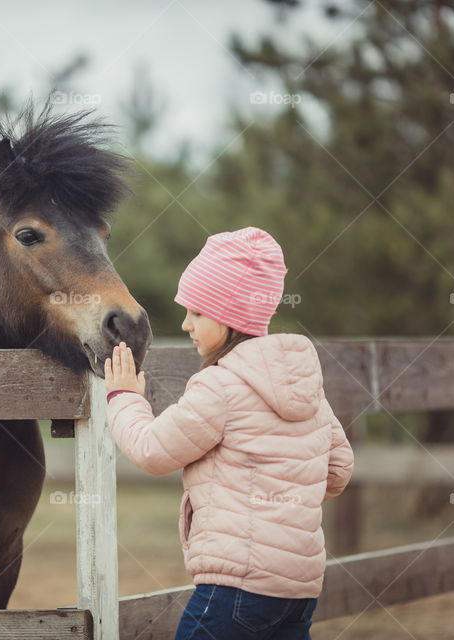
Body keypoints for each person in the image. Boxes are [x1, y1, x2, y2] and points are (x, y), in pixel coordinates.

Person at [104, 226, 354, 640]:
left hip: (237, 586)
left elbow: (151, 450)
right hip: (299, 591)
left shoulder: (220, 386)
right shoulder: (304, 386)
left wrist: (124, 398)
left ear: (230, 316)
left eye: (196, 313)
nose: (185, 324)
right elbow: (340, 468)